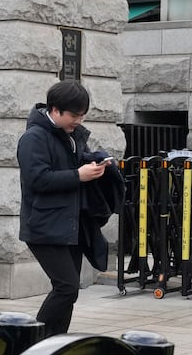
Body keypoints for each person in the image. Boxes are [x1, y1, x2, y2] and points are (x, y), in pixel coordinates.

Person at [17, 80, 119, 336]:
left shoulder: (70, 136)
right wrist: (79, 175)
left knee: (68, 291)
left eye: (82, 115)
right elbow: (37, 179)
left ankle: (53, 344)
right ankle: (32, 342)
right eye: (74, 115)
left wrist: (95, 162)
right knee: (67, 288)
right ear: (55, 110)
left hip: (68, 225)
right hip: (43, 226)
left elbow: (75, 163)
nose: (78, 121)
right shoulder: (33, 138)